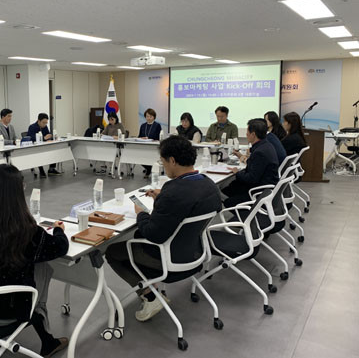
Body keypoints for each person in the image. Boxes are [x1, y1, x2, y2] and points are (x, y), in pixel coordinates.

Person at [105, 136, 222, 322]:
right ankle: (152, 289)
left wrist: (141, 213)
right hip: (195, 252)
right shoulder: (208, 184)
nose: (163, 166)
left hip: (168, 259)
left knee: (113, 251)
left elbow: (152, 234)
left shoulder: (173, 190)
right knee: (134, 238)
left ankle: (150, 296)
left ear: (172, 161)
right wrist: (161, 197)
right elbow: (187, 204)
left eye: (163, 161)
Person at [0, 164, 69, 357]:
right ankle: (47, 340)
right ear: (18, 192)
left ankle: (45, 339)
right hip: (6, 310)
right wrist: (58, 230)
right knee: (42, 268)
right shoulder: (26, 231)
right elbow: (60, 247)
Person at [222, 119, 279, 208]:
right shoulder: (267, 145)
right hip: (266, 188)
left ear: (253, 134)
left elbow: (251, 178)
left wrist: (237, 172)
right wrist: (241, 157)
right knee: (231, 187)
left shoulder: (259, 152)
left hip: (259, 192)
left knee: (228, 200)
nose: (246, 134)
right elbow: (255, 165)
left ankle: (246, 214)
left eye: (247, 132)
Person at [27, 113, 61, 178]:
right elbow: (31, 138)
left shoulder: (45, 127)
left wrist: (51, 137)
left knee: (54, 150)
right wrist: (44, 138)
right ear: (38, 121)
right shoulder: (32, 127)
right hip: (35, 147)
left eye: (46, 123)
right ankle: (41, 170)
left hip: (44, 145)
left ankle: (51, 169)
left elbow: (48, 135)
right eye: (43, 122)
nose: (45, 124)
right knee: (39, 153)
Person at [139, 108, 163, 178]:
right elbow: (139, 136)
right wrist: (141, 138)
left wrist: (153, 140)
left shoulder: (157, 125)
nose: (148, 118)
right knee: (138, 157)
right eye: (147, 116)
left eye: (150, 116)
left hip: (154, 147)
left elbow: (159, 137)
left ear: (154, 117)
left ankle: (150, 169)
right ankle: (149, 168)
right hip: (144, 146)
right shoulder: (143, 125)